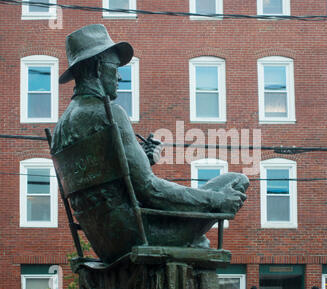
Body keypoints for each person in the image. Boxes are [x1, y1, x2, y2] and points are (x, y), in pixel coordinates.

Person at [51, 24, 249, 263]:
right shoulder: (109, 114)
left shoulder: (62, 128)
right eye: (114, 68)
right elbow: (150, 190)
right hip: (140, 234)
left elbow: (108, 187)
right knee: (236, 181)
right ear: (95, 67)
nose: (119, 76)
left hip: (105, 242)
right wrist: (218, 201)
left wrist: (146, 160)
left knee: (199, 242)